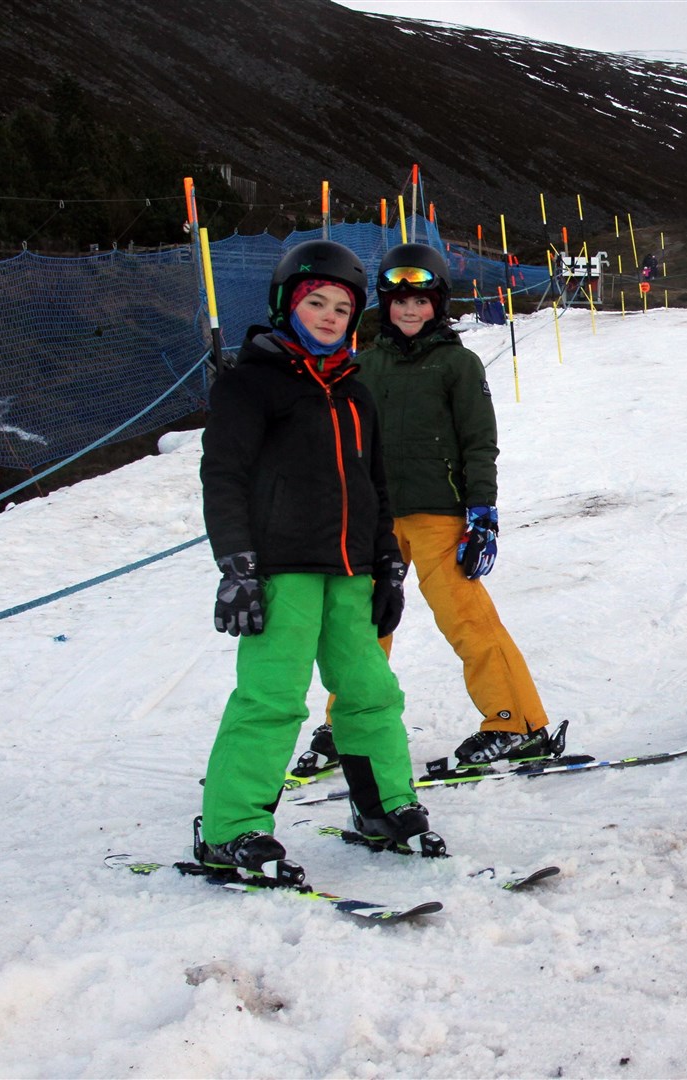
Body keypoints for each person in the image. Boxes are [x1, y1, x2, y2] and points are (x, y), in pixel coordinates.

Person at [197, 239, 436, 872]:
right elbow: (223, 476)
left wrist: (388, 563)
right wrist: (238, 566)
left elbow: (375, 486)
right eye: (317, 303)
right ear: (288, 305)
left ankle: (385, 805)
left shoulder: (355, 392)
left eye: (342, 308)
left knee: (370, 692)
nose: (331, 317)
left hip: (353, 573)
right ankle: (230, 826)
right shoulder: (250, 384)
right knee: (272, 697)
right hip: (282, 571)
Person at [313, 240, 557, 769]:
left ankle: (516, 721)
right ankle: (349, 721)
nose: (409, 310)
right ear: (383, 302)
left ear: (438, 304)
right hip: (375, 517)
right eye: (399, 300)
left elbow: (478, 442)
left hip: (438, 512)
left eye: (421, 300)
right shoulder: (363, 365)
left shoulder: (457, 364)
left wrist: (482, 512)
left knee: (464, 617)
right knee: (360, 620)